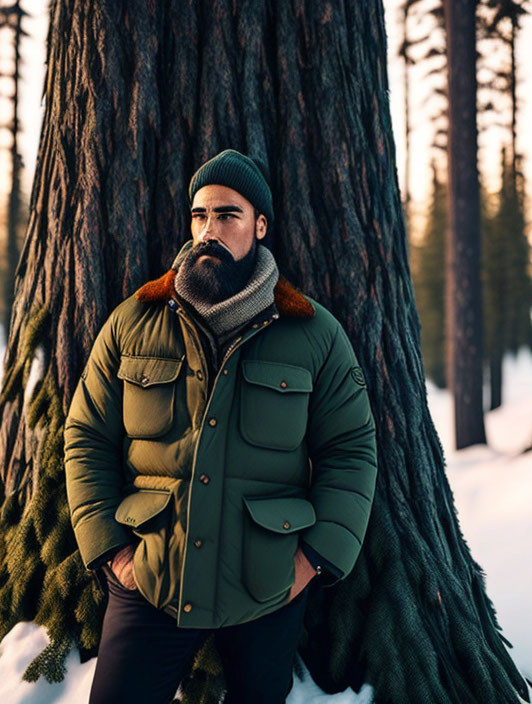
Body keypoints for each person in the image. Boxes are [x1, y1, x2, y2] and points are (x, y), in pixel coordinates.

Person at [64, 148, 378, 703]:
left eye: (228, 215)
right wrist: (113, 553)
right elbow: (86, 437)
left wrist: (314, 560)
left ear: (259, 225)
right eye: (200, 215)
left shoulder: (312, 333)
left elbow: (351, 448)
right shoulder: (135, 320)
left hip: (269, 583)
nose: (210, 229)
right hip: (151, 574)